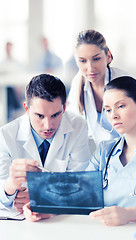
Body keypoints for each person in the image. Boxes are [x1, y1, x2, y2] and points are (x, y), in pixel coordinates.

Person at [23, 76, 136, 224]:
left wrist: (129, 215)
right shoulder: (105, 151)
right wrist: (47, 208)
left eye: (121, 106)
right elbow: (80, 195)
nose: (114, 116)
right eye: (108, 110)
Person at [67, 30, 136, 148]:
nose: (90, 68)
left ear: (108, 56)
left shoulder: (125, 81)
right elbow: (73, 129)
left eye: (96, 59)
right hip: (109, 158)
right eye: (83, 61)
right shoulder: (78, 84)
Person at [0, 74, 91, 212]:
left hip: (61, 219)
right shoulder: (6, 135)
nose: (48, 125)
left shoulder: (78, 126)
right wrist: (11, 184)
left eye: (55, 115)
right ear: (26, 109)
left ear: (64, 108)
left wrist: (39, 196)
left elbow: (80, 184)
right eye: (40, 116)